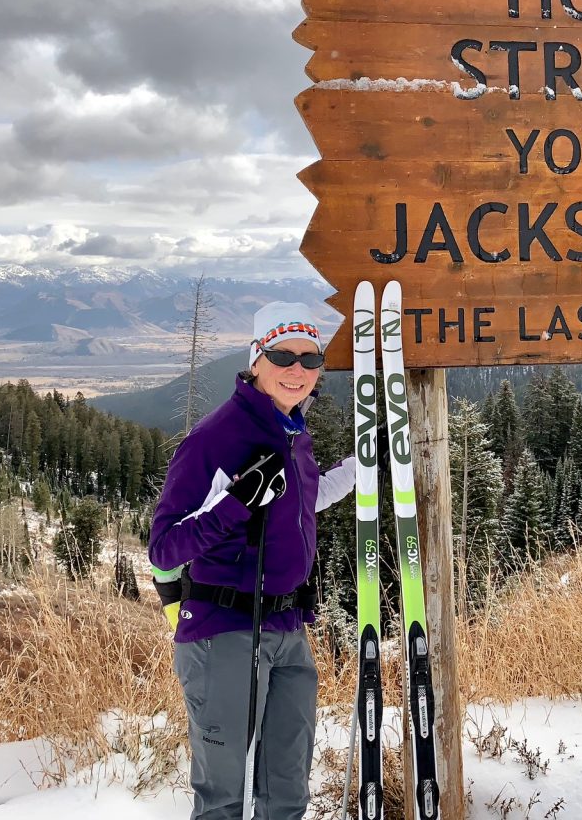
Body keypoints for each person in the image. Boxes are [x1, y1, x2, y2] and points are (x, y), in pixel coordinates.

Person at [149, 301, 355, 820]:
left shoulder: (291, 428)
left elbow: (302, 498)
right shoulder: (216, 438)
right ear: (255, 359)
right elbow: (165, 547)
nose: (297, 370)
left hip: (287, 627)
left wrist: (360, 467)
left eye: (311, 360)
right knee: (222, 798)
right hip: (224, 630)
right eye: (283, 355)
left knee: (286, 791)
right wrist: (235, 506)